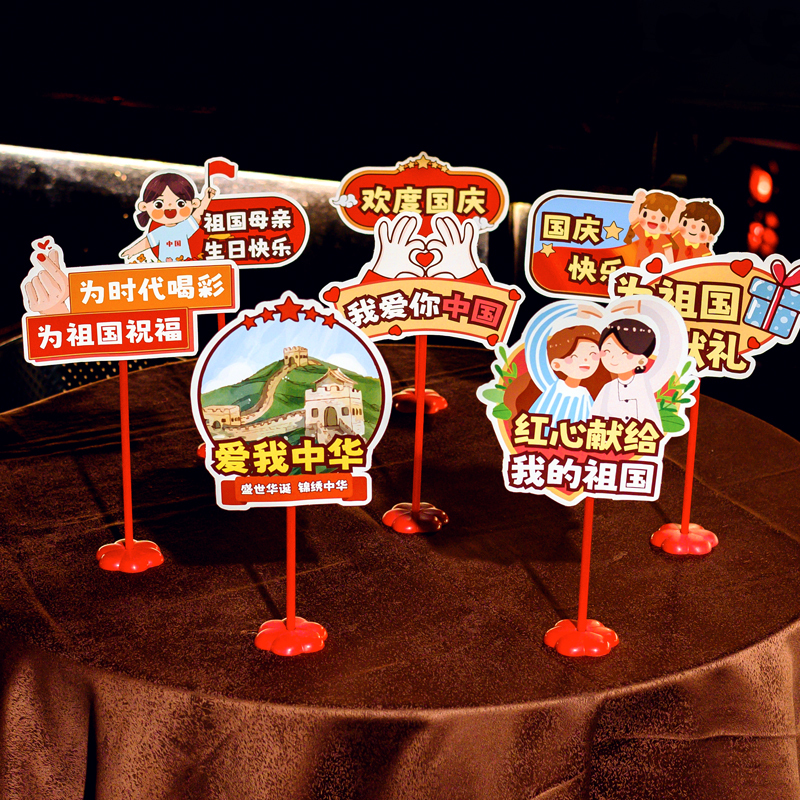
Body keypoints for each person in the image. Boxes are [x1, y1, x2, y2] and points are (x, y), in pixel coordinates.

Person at [592, 297, 685, 430]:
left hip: (644, 440)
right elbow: (595, 418)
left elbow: (673, 348)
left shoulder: (646, 382)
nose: (613, 357)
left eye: (625, 353)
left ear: (642, 360)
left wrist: (645, 307)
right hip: (612, 440)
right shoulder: (608, 388)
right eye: (607, 350)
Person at [524, 302, 608, 424]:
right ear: (556, 364)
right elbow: (536, 338)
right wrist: (573, 310)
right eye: (574, 356)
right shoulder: (552, 384)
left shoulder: (585, 394)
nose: (585, 360)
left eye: (592, 354)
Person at [119, 171, 216, 262]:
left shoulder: (184, 227)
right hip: (165, 269)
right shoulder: (159, 232)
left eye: (180, 203)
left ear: (194, 203)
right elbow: (146, 243)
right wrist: (131, 251)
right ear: (144, 206)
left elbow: (198, 215)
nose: (170, 207)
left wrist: (207, 198)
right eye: (158, 204)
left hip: (185, 266)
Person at [624, 189, 681, 266]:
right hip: (638, 268)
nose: (653, 218)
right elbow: (633, 219)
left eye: (663, 219)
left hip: (658, 270)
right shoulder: (642, 232)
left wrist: (678, 211)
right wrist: (637, 202)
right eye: (645, 214)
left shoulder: (663, 240)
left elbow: (669, 259)